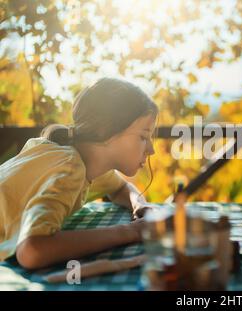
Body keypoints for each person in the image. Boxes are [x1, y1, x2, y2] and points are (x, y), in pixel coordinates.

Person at [0, 77, 158, 269]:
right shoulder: (70, 169)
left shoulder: (75, 157)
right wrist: (130, 232)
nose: (151, 150)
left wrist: (139, 205)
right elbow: (32, 251)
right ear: (106, 130)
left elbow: (119, 188)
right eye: (143, 136)